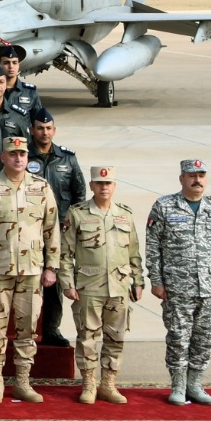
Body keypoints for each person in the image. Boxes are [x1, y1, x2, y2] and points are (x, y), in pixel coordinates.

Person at [0, 136, 59, 404]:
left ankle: (22, 381)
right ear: (3, 157)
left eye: (22, 154)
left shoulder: (41, 187)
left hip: (31, 270)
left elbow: (51, 229)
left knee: (27, 329)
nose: (18, 158)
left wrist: (52, 266)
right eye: (13, 154)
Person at [145, 159, 211, 406]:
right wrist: (156, 280)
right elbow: (153, 246)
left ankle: (195, 385)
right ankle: (178, 386)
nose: (197, 180)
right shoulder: (164, 206)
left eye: (201, 175)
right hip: (177, 287)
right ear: (181, 178)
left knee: (204, 338)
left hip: (210, 287)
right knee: (178, 338)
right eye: (192, 175)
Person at [59, 165, 143, 404]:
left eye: (108, 183)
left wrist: (138, 281)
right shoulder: (77, 213)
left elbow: (134, 252)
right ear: (91, 186)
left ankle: (108, 384)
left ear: (114, 186)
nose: (104, 187)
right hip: (88, 286)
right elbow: (65, 253)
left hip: (119, 285)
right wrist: (67, 283)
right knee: (87, 337)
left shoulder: (125, 214)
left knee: (116, 337)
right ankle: (89, 383)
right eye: (99, 183)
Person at [28, 108, 87, 347]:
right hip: (29, 230)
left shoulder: (67, 158)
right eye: (40, 128)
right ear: (32, 130)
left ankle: (52, 328)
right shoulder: (23, 156)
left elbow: (79, 193)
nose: (45, 132)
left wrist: (71, 222)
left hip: (59, 232)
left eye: (48, 128)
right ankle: (27, 329)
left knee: (55, 281)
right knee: (29, 281)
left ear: (54, 130)